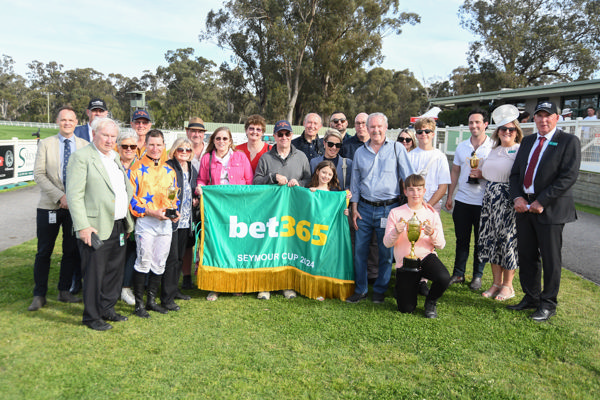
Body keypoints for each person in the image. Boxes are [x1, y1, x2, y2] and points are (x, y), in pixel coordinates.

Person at [508, 101, 581, 321]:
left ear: (557, 118)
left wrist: (542, 200)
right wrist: (518, 197)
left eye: (548, 116)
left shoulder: (568, 141)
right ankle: (531, 297)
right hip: (524, 208)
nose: (543, 120)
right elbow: (515, 175)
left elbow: (568, 176)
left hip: (550, 210)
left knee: (550, 259)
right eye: (539, 116)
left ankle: (548, 303)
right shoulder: (528, 141)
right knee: (527, 256)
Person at [66, 117, 134, 331]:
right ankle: (92, 316)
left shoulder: (114, 156)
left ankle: (107, 309)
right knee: (95, 273)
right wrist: (83, 226)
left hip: (119, 224)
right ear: (94, 134)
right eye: (105, 135)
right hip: (95, 227)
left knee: (114, 271)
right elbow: (74, 195)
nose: (109, 140)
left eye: (113, 136)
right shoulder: (81, 157)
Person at [346, 112, 414, 304]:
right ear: (367, 129)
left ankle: (380, 291)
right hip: (364, 210)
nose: (375, 130)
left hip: (388, 209)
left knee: (385, 253)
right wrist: (355, 208)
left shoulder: (396, 149)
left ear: (386, 128)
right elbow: (356, 182)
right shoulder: (360, 152)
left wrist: (412, 206)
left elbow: (408, 176)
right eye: (372, 127)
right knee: (359, 251)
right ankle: (360, 290)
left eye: (379, 126)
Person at [28, 106, 87, 312]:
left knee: (70, 251)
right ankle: (39, 294)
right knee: (44, 251)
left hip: (75, 209)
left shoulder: (85, 145)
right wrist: (60, 197)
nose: (67, 123)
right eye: (63, 120)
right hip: (49, 207)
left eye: (71, 120)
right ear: (57, 121)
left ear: (76, 122)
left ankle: (64, 291)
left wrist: (73, 199)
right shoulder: (46, 144)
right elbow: (39, 174)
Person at [253, 120, 312, 300]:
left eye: (287, 134)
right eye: (280, 134)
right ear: (274, 136)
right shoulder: (265, 157)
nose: (284, 137)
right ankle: (265, 286)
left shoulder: (301, 156)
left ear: (292, 135)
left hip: (293, 212)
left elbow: (309, 180)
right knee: (268, 248)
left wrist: (299, 183)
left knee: (288, 249)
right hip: (270, 211)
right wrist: (272, 177)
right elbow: (255, 182)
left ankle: (287, 285)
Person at [197, 127, 253, 301]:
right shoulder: (207, 158)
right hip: (216, 210)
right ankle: (215, 286)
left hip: (238, 209)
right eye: (218, 139)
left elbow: (250, 182)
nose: (221, 142)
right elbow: (202, 179)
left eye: (225, 139)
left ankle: (236, 283)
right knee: (216, 246)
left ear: (230, 141)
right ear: (213, 140)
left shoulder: (241, 157)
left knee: (236, 246)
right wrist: (199, 188)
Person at [383, 174, 450, 318]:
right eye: (411, 190)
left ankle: (430, 302)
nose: (416, 194)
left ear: (424, 191)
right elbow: (387, 243)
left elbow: (442, 245)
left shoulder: (431, 213)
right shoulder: (396, 213)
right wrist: (396, 231)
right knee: (406, 309)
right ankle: (405, 285)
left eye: (419, 190)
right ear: (405, 191)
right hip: (405, 263)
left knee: (444, 277)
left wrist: (432, 233)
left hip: (425, 257)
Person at [129, 129, 179, 318]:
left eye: (159, 145)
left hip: (164, 224)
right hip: (146, 222)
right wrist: (150, 211)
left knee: (159, 262)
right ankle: (139, 304)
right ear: (145, 145)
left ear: (164, 146)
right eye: (151, 144)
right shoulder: (135, 169)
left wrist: (175, 211)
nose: (155, 148)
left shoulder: (169, 170)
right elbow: (131, 200)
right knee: (143, 261)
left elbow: (173, 196)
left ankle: (151, 301)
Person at [445, 109, 493, 291]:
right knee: (461, 240)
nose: (473, 126)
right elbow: (455, 171)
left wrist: (483, 174)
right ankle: (458, 273)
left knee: (481, 241)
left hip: (484, 202)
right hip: (463, 200)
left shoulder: (493, 146)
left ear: (485, 124)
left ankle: (477, 276)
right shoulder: (462, 146)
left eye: (477, 122)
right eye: (471, 122)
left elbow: (497, 172)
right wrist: (450, 195)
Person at [478, 105, 523, 301]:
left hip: (508, 200)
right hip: (490, 199)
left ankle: (508, 286)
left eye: (510, 129)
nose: (506, 132)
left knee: (508, 242)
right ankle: (496, 283)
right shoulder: (493, 150)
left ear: (516, 132)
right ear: (498, 131)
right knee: (491, 241)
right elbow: (489, 173)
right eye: (503, 129)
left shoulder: (520, 150)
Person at [161, 138, 198, 310]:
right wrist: (171, 212)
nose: (184, 152)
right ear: (174, 150)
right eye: (181, 149)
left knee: (180, 257)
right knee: (171, 258)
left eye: (188, 150)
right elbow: (168, 192)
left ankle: (174, 290)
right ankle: (167, 297)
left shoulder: (191, 168)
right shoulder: (169, 167)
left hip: (186, 220)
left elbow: (192, 190)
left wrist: (196, 200)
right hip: (173, 219)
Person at [181, 116, 208, 289]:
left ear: (204, 134)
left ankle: (205, 274)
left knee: (205, 240)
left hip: (208, 203)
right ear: (187, 132)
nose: (196, 134)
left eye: (199, 131)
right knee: (187, 242)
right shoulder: (180, 150)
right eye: (193, 130)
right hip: (187, 205)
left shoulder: (210, 152)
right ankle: (186, 277)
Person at [116, 130, 139, 306]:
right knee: (114, 253)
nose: (129, 149)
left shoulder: (141, 167)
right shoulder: (111, 164)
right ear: (118, 147)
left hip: (135, 216)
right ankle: (111, 288)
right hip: (114, 216)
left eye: (132, 146)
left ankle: (125, 287)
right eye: (125, 146)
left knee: (131, 251)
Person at [409, 118, 450, 212]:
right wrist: (418, 203)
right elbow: (405, 182)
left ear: (433, 134)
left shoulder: (440, 157)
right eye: (420, 132)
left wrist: (428, 206)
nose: (423, 134)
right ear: (416, 135)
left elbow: (443, 187)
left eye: (427, 131)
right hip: (412, 204)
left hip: (432, 206)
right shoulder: (409, 156)